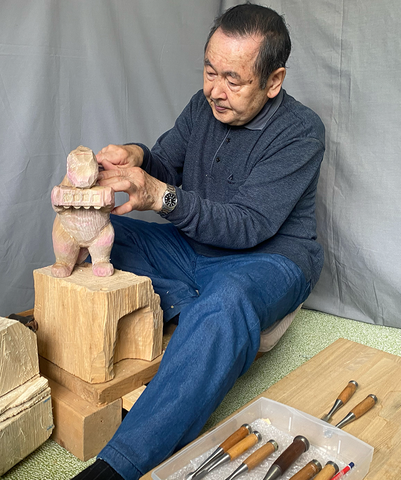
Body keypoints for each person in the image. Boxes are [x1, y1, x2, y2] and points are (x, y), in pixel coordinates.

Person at [73, 3, 325, 480]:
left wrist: (161, 196)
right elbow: (166, 166)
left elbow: (248, 224)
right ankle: (205, 319)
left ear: (273, 81)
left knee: (228, 298)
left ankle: (116, 466)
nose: (215, 89)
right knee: (102, 231)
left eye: (233, 79)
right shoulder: (202, 105)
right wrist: (137, 155)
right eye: (210, 71)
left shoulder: (301, 131)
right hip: (195, 248)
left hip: (269, 259)